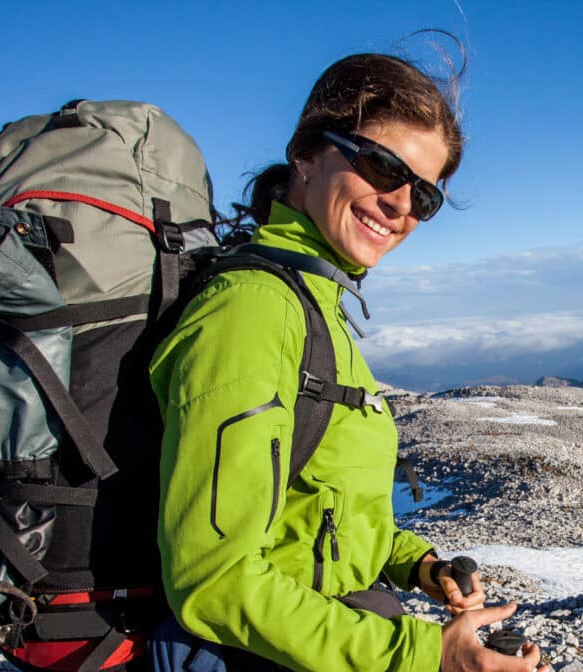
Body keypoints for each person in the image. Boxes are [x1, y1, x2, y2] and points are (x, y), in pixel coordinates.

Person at [150, 52, 548, 672]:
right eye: (380, 165)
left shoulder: (313, 304)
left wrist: (419, 566)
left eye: (424, 194)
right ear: (306, 154)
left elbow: (318, 516)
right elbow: (215, 578)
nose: (400, 205)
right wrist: (430, 656)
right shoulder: (253, 311)